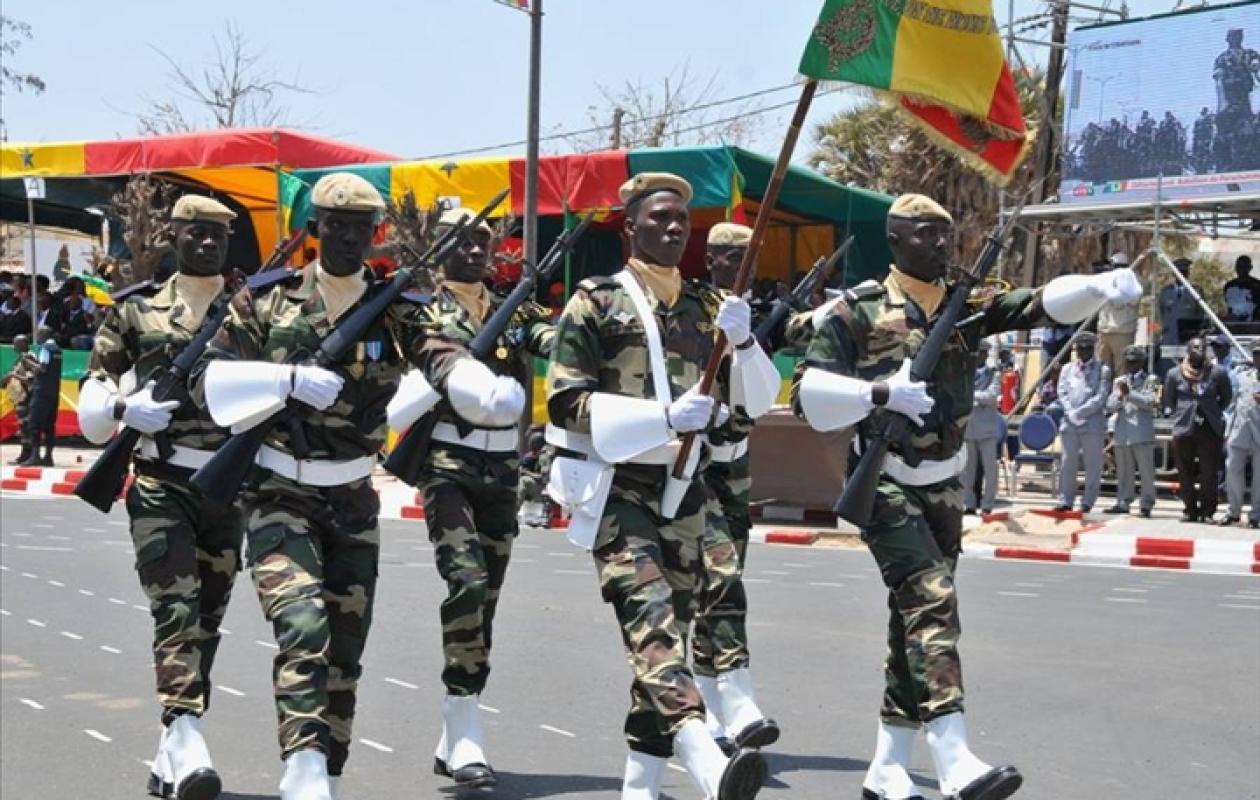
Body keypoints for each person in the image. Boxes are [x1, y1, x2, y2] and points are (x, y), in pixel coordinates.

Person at [791, 192, 1142, 800]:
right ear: (896, 240)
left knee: (914, 622)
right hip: (886, 482)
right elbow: (805, 394)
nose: (941, 244)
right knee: (931, 601)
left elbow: (1035, 305)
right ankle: (953, 756)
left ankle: (887, 765)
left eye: (946, 234)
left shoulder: (966, 301)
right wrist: (879, 395)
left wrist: (1099, 286)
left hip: (945, 483)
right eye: (926, 234)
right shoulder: (859, 310)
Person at [193, 173, 472, 800]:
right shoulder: (266, 300)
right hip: (277, 495)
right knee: (303, 627)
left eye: (360, 226)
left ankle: (329, 770)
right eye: (335, 224)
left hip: (351, 500)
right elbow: (205, 381)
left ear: (376, 233)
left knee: (345, 653)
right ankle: (303, 764)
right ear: (314, 228)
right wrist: (283, 379)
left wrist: (472, 381)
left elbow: (439, 352)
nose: (348, 235)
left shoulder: (399, 307)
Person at [546, 172, 780, 800]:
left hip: (688, 494)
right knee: (650, 625)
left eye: (681, 219)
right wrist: (662, 418)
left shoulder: (708, 307)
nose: (674, 228)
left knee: (665, 639)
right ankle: (706, 759)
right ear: (632, 228)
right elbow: (564, 402)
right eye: (659, 219)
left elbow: (757, 399)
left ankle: (639, 786)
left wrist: (747, 340)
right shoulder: (596, 302)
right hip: (619, 491)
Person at [77, 195, 245, 800]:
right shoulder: (137, 309)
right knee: (175, 610)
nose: (207, 244)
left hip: (227, 487)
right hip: (160, 484)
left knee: (207, 621)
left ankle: (169, 749)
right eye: (196, 234)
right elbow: (92, 390)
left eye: (218, 236)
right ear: (174, 236)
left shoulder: (250, 309)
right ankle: (189, 735)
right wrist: (125, 408)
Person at [388, 206, 551, 789]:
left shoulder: (515, 309)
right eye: (461, 241)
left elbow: (552, 339)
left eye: (482, 241)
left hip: (501, 465)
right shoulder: (421, 313)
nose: (475, 250)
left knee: (490, 596)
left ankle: (457, 719)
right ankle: (464, 717)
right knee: (467, 581)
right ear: (439, 247)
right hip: (448, 463)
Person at [692, 222, 781, 757]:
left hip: (736, 466)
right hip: (697, 464)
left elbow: (763, 395)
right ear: (711, 263)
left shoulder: (751, 317)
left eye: (746, 258)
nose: (737, 268)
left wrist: (748, 339)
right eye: (727, 259)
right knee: (721, 574)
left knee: (718, 586)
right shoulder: (693, 309)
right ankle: (739, 695)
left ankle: (709, 709)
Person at [1163, 336, 1233, 522]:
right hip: (1184, 427)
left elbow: (1226, 398)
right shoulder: (1174, 374)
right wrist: (1174, 414)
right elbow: (1169, 400)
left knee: (1208, 472)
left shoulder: (1217, 372)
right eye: (1194, 347)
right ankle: (1190, 510)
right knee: (1184, 471)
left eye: (1201, 347)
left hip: (1209, 427)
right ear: (1187, 351)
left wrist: (1213, 410)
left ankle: (1207, 511)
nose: (1198, 350)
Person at [1054, 332, 1111, 514]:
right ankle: (1065, 500)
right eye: (1080, 348)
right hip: (1070, 423)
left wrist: (1081, 412)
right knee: (1067, 462)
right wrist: (1070, 412)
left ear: (1093, 349)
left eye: (1087, 348)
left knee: (1093, 465)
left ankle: (1087, 501)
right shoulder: (1067, 369)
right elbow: (1062, 392)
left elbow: (1101, 397)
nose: (1084, 352)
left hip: (1092, 423)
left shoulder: (1103, 369)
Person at [1105, 345, 1158, 518]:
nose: (1131, 365)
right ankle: (1123, 501)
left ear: (1142, 362)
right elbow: (1110, 405)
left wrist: (1130, 394)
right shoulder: (1119, 380)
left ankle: (1147, 503)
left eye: (1134, 362)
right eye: (1128, 362)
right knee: (1124, 472)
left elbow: (1151, 402)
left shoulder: (1151, 380)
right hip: (1123, 431)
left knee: (1146, 472)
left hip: (1141, 432)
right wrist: (1121, 397)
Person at [1223, 340, 1260, 527]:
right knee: (1232, 470)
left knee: (1259, 477)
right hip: (1239, 431)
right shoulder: (1243, 376)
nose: (1258, 358)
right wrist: (1228, 429)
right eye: (1256, 355)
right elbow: (1232, 404)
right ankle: (1233, 511)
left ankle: (1256, 515)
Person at [962, 340, 1001, 515]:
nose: (978, 356)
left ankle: (987, 504)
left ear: (986, 355)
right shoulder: (965, 373)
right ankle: (969, 503)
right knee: (967, 470)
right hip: (969, 428)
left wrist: (972, 397)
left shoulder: (994, 374)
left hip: (987, 430)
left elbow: (992, 396)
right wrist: (977, 399)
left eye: (982, 353)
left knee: (990, 469)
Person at [22, 325, 61, 466]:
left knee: (34, 424)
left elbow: (42, 368)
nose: (37, 336)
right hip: (54, 393)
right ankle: (48, 457)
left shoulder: (45, 348)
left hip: (42, 392)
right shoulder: (58, 350)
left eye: (39, 333)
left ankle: (35, 456)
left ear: (45, 334)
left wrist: (28, 363)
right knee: (49, 425)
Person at [1095, 253, 1140, 374]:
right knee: (1102, 370)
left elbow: (1121, 302)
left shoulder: (1132, 282)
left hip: (1123, 332)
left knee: (1121, 370)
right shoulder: (1106, 280)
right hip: (1104, 331)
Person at [1, 335, 38, 464]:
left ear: (24, 344)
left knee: (27, 427)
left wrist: (13, 374)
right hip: (19, 399)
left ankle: (29, 454)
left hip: (26, 398)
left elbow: (31, 378)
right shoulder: (20, 359)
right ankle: (24, 453)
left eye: (16, 343)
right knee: (22, 428)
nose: (14, 346)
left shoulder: (29, 358)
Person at [1223, 255, 1260, 323]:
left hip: (1253, 325)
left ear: (1250, 268)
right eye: (1239, 266)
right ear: (1236, 267)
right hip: (1233, 325)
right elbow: (1229, 306)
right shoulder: (1229, 286)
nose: (1241, 269)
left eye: (1244, 266)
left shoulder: (1257, 286)